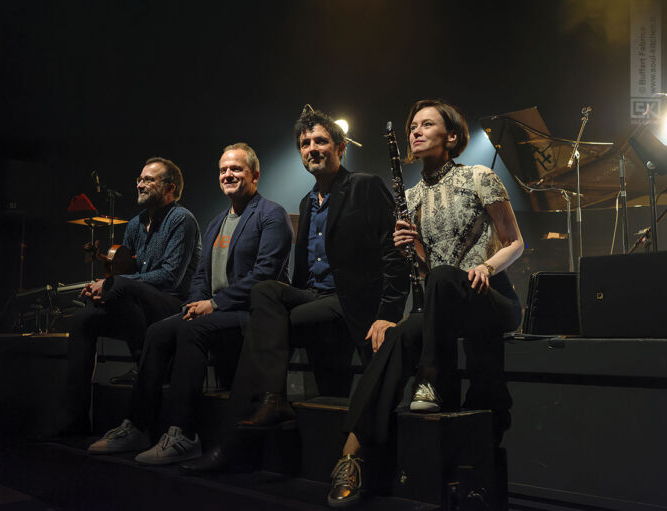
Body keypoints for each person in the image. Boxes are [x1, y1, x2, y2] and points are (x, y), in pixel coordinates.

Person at [180, 109, 409, 474]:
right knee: (267, 293)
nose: (312, 148)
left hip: (351, 301)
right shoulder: (305, 202)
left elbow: (395, 254)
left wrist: (388, 313)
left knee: (261, 322)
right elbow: (299, 274)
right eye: (305, 143)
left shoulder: (364, 185)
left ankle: (233, 442)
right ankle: (270, 403)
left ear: (341, 147)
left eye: (320, 141)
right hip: (314, 299)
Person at [325, 99, 524, 507]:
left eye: (426, 124)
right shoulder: (410, 196)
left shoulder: (479, 177)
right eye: (412, 125)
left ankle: (429, 377)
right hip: (443, 303)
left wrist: (486, 267)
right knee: (397, 336)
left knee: (447, 276)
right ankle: (350, 457)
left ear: (450, 137)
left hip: (490, 299)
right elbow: (426, 274)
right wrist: (411, 249)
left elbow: (515, 242)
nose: (414, 131)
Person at [86, 143, 294, 464]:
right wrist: (194, 303)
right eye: (223, 169)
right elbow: (200, 276)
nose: (228, 175)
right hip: (217, 311)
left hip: (251, 315)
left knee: (192, 332)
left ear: (255, 175)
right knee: (158, 331)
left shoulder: (270, 215)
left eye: (236, 169)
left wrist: (214, 304)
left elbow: (264, 276)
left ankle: (182, 434)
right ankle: (137, 426)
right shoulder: (216, 222)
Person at [63, 157, 201, 434]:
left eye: (149, 179)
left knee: (119, 287)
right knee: (83, 319)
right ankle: (74, 420)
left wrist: (114, 284)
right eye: (139, 178)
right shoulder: (135, 224)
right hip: (139, 303)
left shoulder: (182, 219)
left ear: (170, 188)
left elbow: (170, 278)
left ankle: (150, 372)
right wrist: (103, 286)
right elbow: (125, 271)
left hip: (172, 304)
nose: (140, 183)